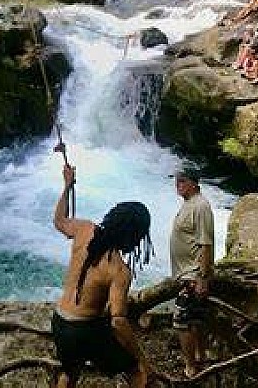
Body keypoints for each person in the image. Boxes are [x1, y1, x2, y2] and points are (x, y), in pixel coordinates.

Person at [51, 164, 152, 388]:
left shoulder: (85, 230)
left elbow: (59, 220)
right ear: (133, 237)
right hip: (84, 330)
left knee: (70, 372)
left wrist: (67, 186)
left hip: (59, 321)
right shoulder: (119, 271)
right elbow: (117, 321)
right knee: (136, 372)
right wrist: (140, 357)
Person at [169, 170, 215, 379]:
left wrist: (203, 278)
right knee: (196, 318)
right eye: (177, 180)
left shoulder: (200, 206)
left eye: (183, 180)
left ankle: (190, 366)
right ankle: (200, 356)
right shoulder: (189, 204)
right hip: (187, 274)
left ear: (195, 184)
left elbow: (206, 244)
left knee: (182, 320)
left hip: (194, 275)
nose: (178, 184)